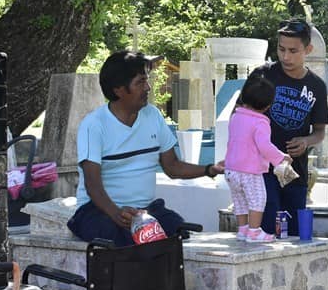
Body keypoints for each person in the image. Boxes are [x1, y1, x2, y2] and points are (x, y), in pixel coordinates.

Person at [67, 50, 224, 247]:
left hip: (145, 211)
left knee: (177, 229)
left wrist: (209, 170)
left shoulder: (153, 116)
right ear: (118, 89)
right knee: (122, 240)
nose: (148, 87)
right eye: (140, 82)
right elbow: (93, 185)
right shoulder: (94, 125)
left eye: (146, 81)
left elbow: (172, 166)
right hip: (100, 212)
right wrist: (118, 214)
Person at [247, 19, 328, 236]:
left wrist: (306, 141)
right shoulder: (262, 75)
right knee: (266, 231)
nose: (285, 57)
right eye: (281, 49)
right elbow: (240, 116)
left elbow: (320, 131)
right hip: (261, 169)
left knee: (293, 235)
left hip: (295, 172)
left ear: (308, 50)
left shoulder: (317, 86)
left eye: (293, 51)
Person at [225, 76, 292, 242]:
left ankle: (243, 230)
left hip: (231, 169)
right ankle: (254, 232)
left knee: (239, 200)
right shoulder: (260, 123)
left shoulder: (235, 117)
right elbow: (264, 146)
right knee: (257, 200)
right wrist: (281, 158)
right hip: (250, 170)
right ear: (268, 105)